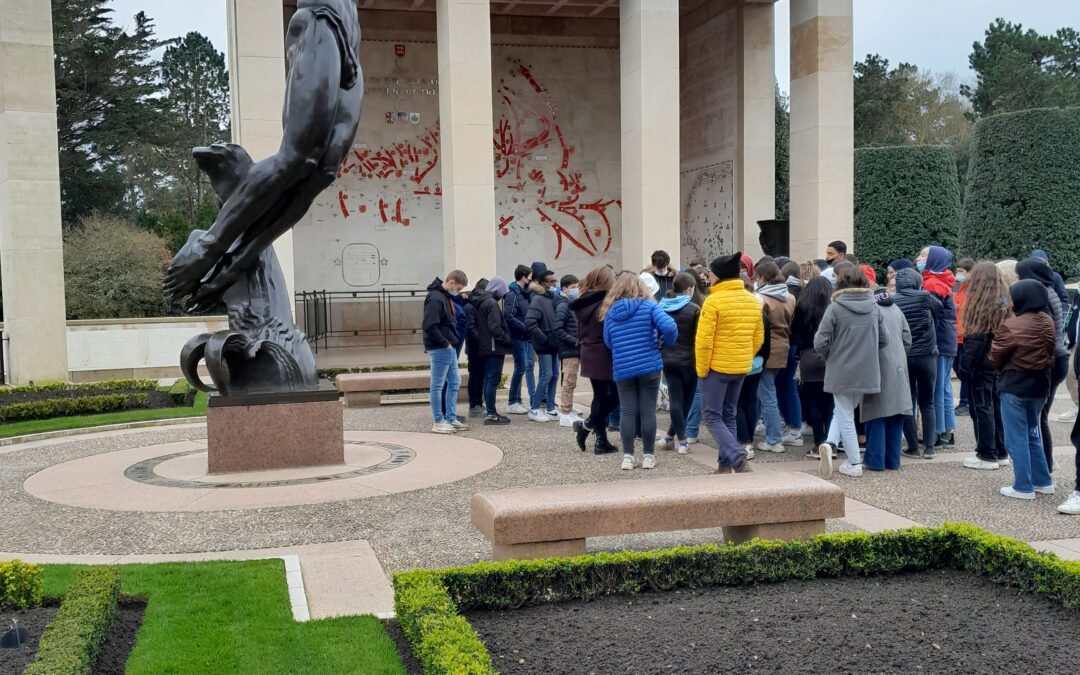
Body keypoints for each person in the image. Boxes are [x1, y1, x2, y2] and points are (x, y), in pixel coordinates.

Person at [814, 265, 887, 478]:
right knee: (844, 410)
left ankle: (854, 462)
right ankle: (830, 443)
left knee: (844, 412)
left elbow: (820, 342)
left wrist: (832, 357)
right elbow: (885, 339)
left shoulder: (835, 308)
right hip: (867, 369)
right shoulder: (874, 307)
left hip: (841, 368)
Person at [696, 253, 765, 474]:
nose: (708, 277)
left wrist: (702, 368)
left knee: (712, 415)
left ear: (718, 276)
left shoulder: (713, 301)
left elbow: (704, 341)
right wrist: (744, 354)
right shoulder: (752, 300)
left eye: (710, 273)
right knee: (729, 414)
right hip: (741, 365)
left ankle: (736, 457)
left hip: (716, 366)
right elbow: (758, 338)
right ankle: (724, 465)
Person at [603, 273, 678, 470]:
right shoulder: (649, 306)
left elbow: (608, 342)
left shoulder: (610, 312)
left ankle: (628, 456)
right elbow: (669, 327)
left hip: (623, 367)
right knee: (647, 410)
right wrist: (663, 343)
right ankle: (648, 456)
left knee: (627, 411)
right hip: (649, 365)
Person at [989, 279, 1056, 500]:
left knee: (1015, 437)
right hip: (1040, 383)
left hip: (1015, 383)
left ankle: (1023, 486)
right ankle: (1043, 480)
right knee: (1032, 432)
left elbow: (995, 357)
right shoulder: (1048, 320)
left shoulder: (1011, 325)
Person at [1017, 257, 1071, 473]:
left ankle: (1044, 467)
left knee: (1039, 418)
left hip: (1049, 360)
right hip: (1057, 358)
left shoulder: (1039, 294)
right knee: (1041, 416)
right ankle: (1045, 464)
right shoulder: (1049, 290)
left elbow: (1041, 332)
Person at [958, 262, 1012, 469]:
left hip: (981, 364)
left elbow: (975, 339)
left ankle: (986, 453)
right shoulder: (1004, 301)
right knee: (995, 406)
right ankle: (1000, 450)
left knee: (981, 408)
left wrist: (965, 368)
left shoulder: (981, 303)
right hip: (998, 362)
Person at [861, 287, 913, 471]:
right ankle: (893, 461)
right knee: (896, 415)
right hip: (899, 365)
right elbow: (907, 338)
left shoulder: (871, 310)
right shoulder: (896, 308)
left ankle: (875, 460)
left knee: (876, 414)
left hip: (879, 366)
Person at [892, 268, 941, 458]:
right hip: (927, 355)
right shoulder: (925, 297)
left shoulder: (894, 300)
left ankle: (912, 446)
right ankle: (929, 447)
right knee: (927, 402)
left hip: (904, 355)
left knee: (907, 403)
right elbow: (939, 309)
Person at [571, 267, 620, 455]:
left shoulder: (583, 302)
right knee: (614, 395)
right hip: (603, 351)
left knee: (600, 396)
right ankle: (590, 428)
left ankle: (599, 439)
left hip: (589, 351)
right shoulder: (604, 302)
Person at [752, 262, 798, 454]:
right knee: (765, 392)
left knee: (767, 394)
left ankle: (774, 439)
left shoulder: (760, 298)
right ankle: (763, 431)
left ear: (762, 277)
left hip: (765, 348)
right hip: (784, 347)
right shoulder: (790, 297)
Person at [917, 245, 958, 449]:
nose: (919, 258)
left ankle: (937, 430)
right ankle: (947, 430)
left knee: (936, 390)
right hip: (947, 341)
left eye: (924, 255)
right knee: (944, 387)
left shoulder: (932, 284)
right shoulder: (944, 280)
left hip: (938, 342)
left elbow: (929, 316)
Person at [656, 273, 701, 454]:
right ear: (689, 289)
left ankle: (670, 437)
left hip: (667, 359)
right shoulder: (694, 309)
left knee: (675, 399)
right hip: (690, 361)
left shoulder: (661, 307)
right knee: (687, 402)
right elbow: (699, 338)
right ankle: (683, 442)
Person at [422, 270, 468, 434]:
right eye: (457, 288)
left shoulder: (443, 296)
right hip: (441, 347)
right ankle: (438, 421)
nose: (457, 291)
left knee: (454, 382)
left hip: (447, 346)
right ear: (451, 283)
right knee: (437, 385)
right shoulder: (436, 298)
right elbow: (429, 325)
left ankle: (450, 418)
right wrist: (445, 343)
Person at [792, 277, 833, 455]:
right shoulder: (833, 307)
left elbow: (795, 334)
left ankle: (818, 442)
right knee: (830, 404)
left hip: (808, 355)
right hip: (830, 356)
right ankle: (831, 442)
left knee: (813, 402)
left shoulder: (802, 307)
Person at [473, 277, 513, 425]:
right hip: (494, 347)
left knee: (489, 380)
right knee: (492, 380)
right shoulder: (491, 303)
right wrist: (507, 340)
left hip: (487, 346)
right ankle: (491, 414)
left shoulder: (483, 301)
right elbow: (494, 327)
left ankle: (490, 411)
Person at [736, 274, 768, 458]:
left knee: (738, 403)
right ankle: (748, 440)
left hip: (738, 362)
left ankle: (744, 440)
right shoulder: (759, 310)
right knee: (750, 401)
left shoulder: (735, 311)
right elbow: (766, 340)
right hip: (756, 362)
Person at [525, 270, 560, 423]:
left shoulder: (553, 298)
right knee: (547, 375)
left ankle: (551, 408)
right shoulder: (538, 299)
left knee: (555, 375)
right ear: (543, 283)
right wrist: (544, 339)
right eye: (552, 282)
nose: (555, 284)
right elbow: (530, 322)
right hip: (545, 343)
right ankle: (534, 408)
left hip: (554, 342)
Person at [504, 264, 535, 414]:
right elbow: (509, 316)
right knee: (520, 367)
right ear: (523, 277)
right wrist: (525, 327)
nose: (531, 279)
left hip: (527, 337)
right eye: (529, 276)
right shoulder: (513, 294)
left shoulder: (524, 293)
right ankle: (513, 401)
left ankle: (518, 401)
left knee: (525, 366)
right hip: (519, 337)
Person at [553, 274, 583, 426]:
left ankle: (568, 410)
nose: (576, 290)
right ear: (564, 288)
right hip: (569, 349)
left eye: (577, 287)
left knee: (571, 382)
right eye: (573, 287)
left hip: (574, 349)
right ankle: (565, 412)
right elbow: (557, 328)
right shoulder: (563, 305)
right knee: (569, 381)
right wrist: (575, 342)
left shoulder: (571, 304)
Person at [461, 278, 487, 418]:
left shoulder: (472, 305)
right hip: (474, 347)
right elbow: (471, 329)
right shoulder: (470, 307)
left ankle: (478, 403)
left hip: (477, 346)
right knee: (476, 376)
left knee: (479, 376)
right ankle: (474, 405)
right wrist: (483, 341)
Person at [953, 258, 975, 416]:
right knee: (959, 369)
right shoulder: (957, 287)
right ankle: (967, 399)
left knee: (964, 370)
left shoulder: (973, 290)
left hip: (967, 335)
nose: (957, 274)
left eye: (961, 271)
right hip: (955, 335)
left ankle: (965, 402)